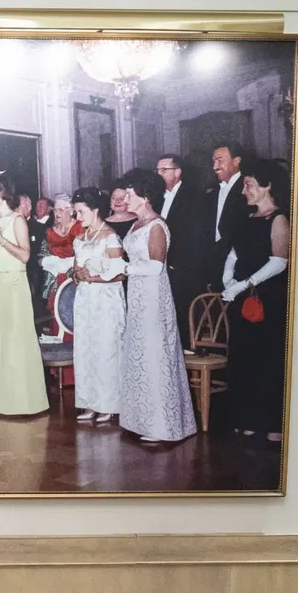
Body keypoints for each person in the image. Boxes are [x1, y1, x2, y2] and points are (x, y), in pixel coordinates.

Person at [116, 169, 197, 443]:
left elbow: (154, 266)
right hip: (137, 296)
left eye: (130, 193)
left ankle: (162, 426)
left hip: (153, 297)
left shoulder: (156, 225)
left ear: (145, 196)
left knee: (154, 355)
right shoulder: (135, 224)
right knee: (139, 354)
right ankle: (140, 420)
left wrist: (123, 266)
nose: (125, 198)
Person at [221, 158, 292, 442]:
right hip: (242, 296)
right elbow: (234, 254)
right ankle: (246, 420)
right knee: (244, 358)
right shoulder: (246, 219)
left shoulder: (279, 219)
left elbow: (279, 262)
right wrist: (228, 280)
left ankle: (272, 426)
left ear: (268, 185)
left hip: (269, 299)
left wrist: (242, 286)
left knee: (267, 361)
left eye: (248, 185)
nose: (244, 191)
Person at [0, 173, 49, 417]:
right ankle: (6, 403)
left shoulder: (18, 220)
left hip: (15, 282)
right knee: (2, 340)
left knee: (19, 339)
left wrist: (2, 240)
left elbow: (26, 256)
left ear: (3, 193)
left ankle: (28, 403)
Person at [68, 189, 126, 423]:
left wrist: (93, 278)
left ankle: (109, 404)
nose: (77, 216)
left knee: (106, 350)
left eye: (81, 212)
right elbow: (75, 271)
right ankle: (90, 403)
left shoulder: (111, 237)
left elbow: (121, 274)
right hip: (85, 300)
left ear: (95, 210)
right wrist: (77, 274)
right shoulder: (79, 239)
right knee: (86, 350)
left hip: (106, 300)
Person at [156, 154, 208, 347]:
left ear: (177, 172)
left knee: (183, 324)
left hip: (184, 272)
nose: (159, 174)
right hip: (163, 270)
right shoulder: (157, 198)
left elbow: (195, 236)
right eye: (157, 170)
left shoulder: (194, 197)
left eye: (164, 170)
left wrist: (177, 264)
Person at [211, 142, 253, 270]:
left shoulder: (249, 189)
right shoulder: (212, 192)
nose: (215, 166)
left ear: (236, 161)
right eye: (213, 161)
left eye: (220, 161)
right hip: (215, 262)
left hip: (241, 262)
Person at [18, 193, 49, 325]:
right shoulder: (10, 225)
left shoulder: (39, 228)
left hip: (32, 274)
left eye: (19, 205)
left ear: (28, 206)